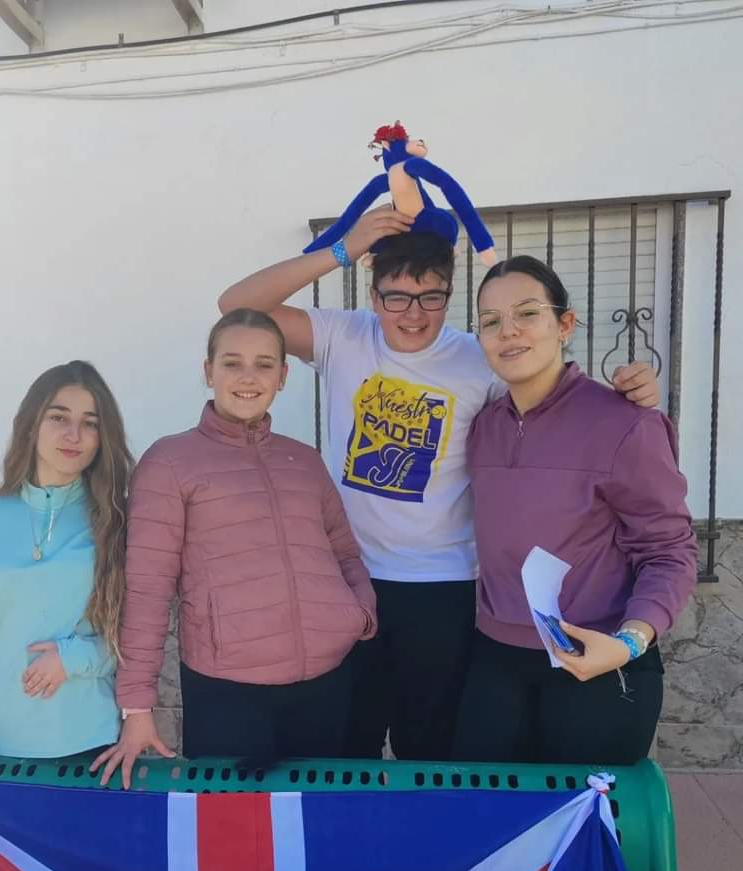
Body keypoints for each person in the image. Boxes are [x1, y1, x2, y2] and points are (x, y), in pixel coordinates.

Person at [217, 213, 661, 762]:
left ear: (450, 295)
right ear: (373, 295)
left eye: (431, 297)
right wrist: (342, 249)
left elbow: (551, 397)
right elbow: (237, 307)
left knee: (428, 749)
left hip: (443, 587)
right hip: (346, 579)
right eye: (396, 297)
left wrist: (628, 394)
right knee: (344, 744)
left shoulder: (477, 357)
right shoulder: (341, 335)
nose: (413, 313)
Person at [91, 309, 376, 790]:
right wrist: (137, 707)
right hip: (228, 693)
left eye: (264, 364)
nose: (248, 377)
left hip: (326, 684)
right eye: (232, 363)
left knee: (313, 822)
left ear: (283, 376)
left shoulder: (304, 461)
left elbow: (345, 553)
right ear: (209, 371)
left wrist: (357, 615)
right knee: (230, 826)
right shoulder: (170, 462)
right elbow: (147, 589)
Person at [452, 256, 696, 764]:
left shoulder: (625, 424)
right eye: (491, 321)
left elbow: (669, 551)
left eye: (527, 313)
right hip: (496, 663)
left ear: (565, 325)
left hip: (599, 658)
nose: (508, 331)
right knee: (493, 809)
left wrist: (630, 642)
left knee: (585, 813)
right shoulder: (481, 426)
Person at [0, 361, 132, 776]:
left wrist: (72, 658)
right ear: (31, 425)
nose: (73, 434)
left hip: (94, 749)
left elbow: (136, 636)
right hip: (4, 750)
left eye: (90, 423)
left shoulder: (116, 519)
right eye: (59, 417)